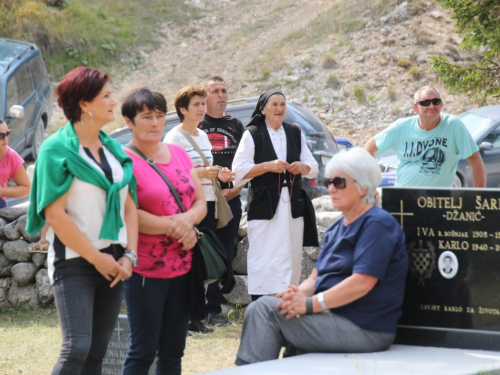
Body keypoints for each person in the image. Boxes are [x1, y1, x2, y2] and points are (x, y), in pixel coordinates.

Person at [235, 147, 408, 365]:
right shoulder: (337, 228)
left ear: (363, 188)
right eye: (329, 183)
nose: (332, 189)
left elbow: (361, 283)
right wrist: (296, 295)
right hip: (332, 317)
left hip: (364, 327)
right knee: (273, 306)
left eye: (340, 183)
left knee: (263, 310)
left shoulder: (377, 225)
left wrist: (310, 305)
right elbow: (316, 279)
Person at [26, 67, 139, 375]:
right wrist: (96, 258)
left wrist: (129, 255)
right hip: (74, 260)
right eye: (106, 96)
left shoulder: (115, 150)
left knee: (96, 353)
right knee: (76, 348)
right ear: (85, 104)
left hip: (116, 260)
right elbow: (54, 215)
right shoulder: (56, 149)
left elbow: (130, 207)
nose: (114, 101)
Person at [121, 88, 207, 374]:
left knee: (173, 353)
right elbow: (128, 212)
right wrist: (179, 226)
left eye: (160, 116)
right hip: (146, 270)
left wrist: (189, 221)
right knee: (142, 351)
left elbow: (199, 200)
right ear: (128, 121)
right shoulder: (123, 161)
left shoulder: (179, 153)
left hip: (183, 268)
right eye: (147, 117)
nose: (155, 123)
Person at [232, 89, 319, 301]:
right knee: (262, 255)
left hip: (292, 204)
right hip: (264, 204)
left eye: (282, 104)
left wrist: (302, 167)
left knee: (290, 254)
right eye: (274, 104)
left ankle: (287, 302)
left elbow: (314, 166)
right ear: (263, 109)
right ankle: (260, 304)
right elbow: (238, 171)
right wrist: (267, 166)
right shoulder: (252, 133)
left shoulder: (294, 132)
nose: (280, 108)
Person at [164, 85, 234, 334]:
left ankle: (197, 315)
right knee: (188, 261)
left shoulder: (203, 136)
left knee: (202, 261)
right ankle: (187, 319)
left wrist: (220, 174)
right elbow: (170, 175)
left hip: (208, 202)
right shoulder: (174, 137)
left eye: (203, 104)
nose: (202, 108)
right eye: (196, 105)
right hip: (186, 204)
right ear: (182, 109)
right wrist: (203, 173)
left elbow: (207, 170)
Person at [364, 86, 486, 187]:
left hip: (439, 202)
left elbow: (475, 160)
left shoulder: (453, 125)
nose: (431, 106)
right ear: (416, 107)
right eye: (425, 102)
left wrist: (478, 198)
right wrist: (370, 187)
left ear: (441, 104)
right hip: (403, 199)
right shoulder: (401, 127)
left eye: (436, 102)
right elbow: (369, 147)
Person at [198, 76, 245, 327]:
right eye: (215, 91)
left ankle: (213, 310)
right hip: (202, 201)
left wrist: (233, 191)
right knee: (200, 253)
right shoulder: (197, 126)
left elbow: (245, 165)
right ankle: (194, 310)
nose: (221, 95)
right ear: (204, 97)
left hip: (230, 200)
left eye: (224, 91)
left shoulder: (236, 124)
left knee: (223, 254)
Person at [0, 118, 30, 209]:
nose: (6, 139)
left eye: (7, 133)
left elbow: (26, 188)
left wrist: (2, 192)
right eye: (1, 136)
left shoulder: (11, 156)